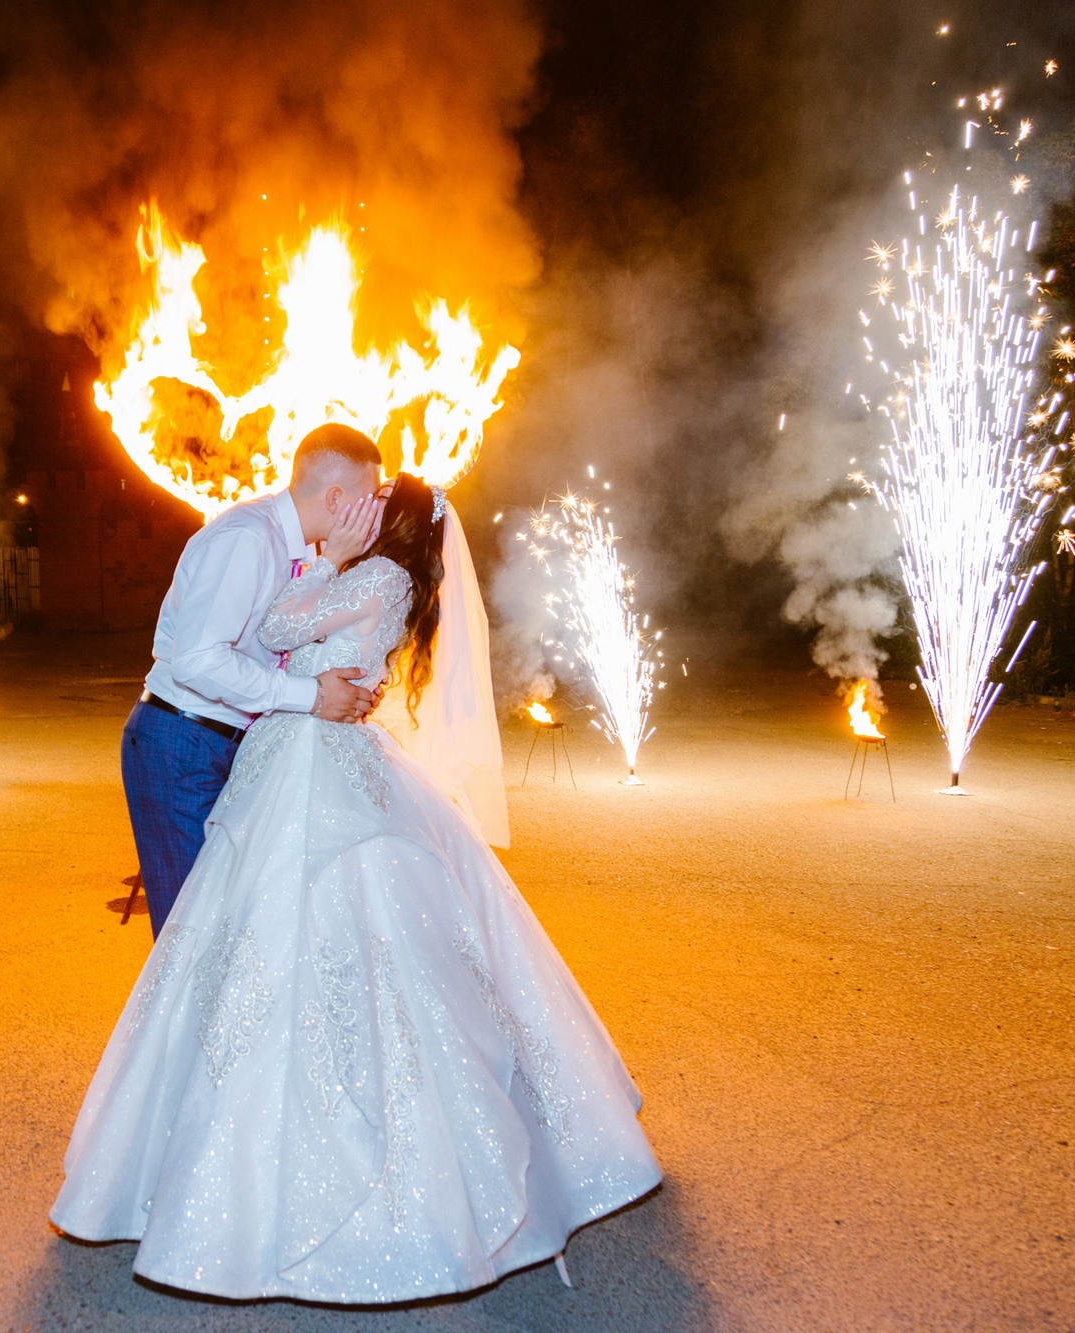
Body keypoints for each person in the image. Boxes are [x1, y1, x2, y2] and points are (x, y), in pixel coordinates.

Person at [52, 473, 662, 1303]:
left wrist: (331, 559)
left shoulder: (373, 575)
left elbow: (274, 626)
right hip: (303, 751)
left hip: (313, 760)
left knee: (307, 943)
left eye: (376, 501)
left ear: (390, 521)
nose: (359, 508)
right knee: (273, 942)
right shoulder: (375, 579)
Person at [124, 424, 385, 936]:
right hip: (184, 742)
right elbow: (198, 661)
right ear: (336, 498)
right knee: (191, 931)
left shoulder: (303, 551)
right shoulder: (247, 537)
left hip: (227, 742)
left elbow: (277, 642)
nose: (374, 512)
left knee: (231, 921)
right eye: (369, 498)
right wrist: (312, 696)